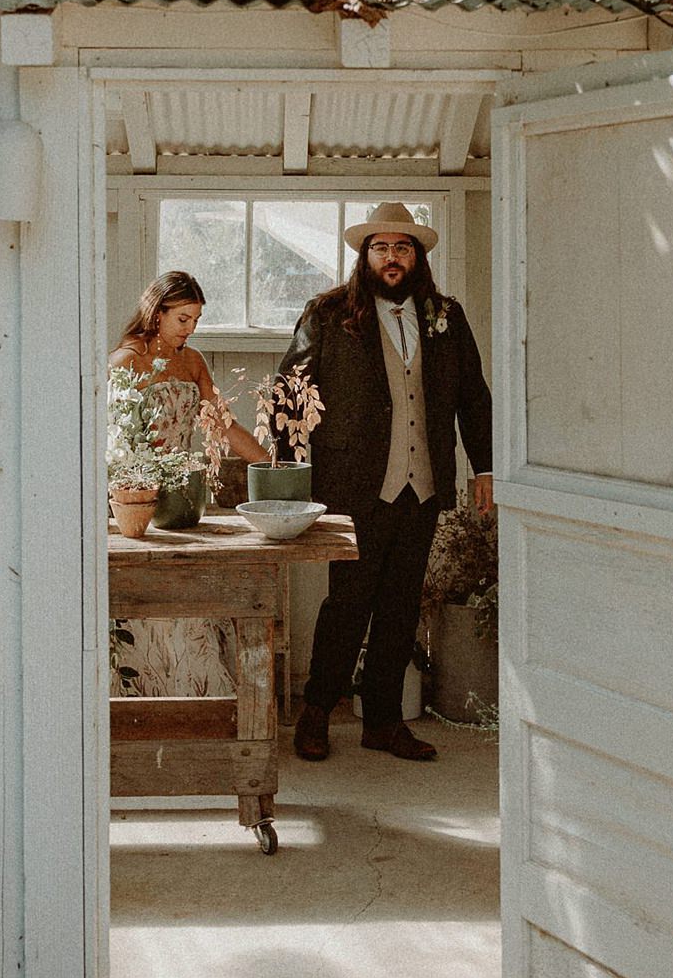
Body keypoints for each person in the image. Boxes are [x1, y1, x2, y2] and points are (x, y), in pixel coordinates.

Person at [280, 203, 493, 763]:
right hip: (353, 486)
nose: (392, 258)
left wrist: (485, 467)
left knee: (401, 606)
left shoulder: (446, 315)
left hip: (421, 485)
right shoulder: (327, 313)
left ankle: (382, 721)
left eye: (403, 248)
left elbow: (473, 396)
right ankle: (317, 713)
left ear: (417, 256)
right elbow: (289, 394)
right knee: (347, 603)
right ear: (364, 255)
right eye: (381, 248)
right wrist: (289, 475)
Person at [109, 270, 266, 469]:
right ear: (158, 314)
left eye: (196, 320)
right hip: (135, 484)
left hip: (182, 479)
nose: (191, 329)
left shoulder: (192, 361)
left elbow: (225, 426)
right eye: (183, 320)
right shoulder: (126, 360)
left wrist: (271, 466)